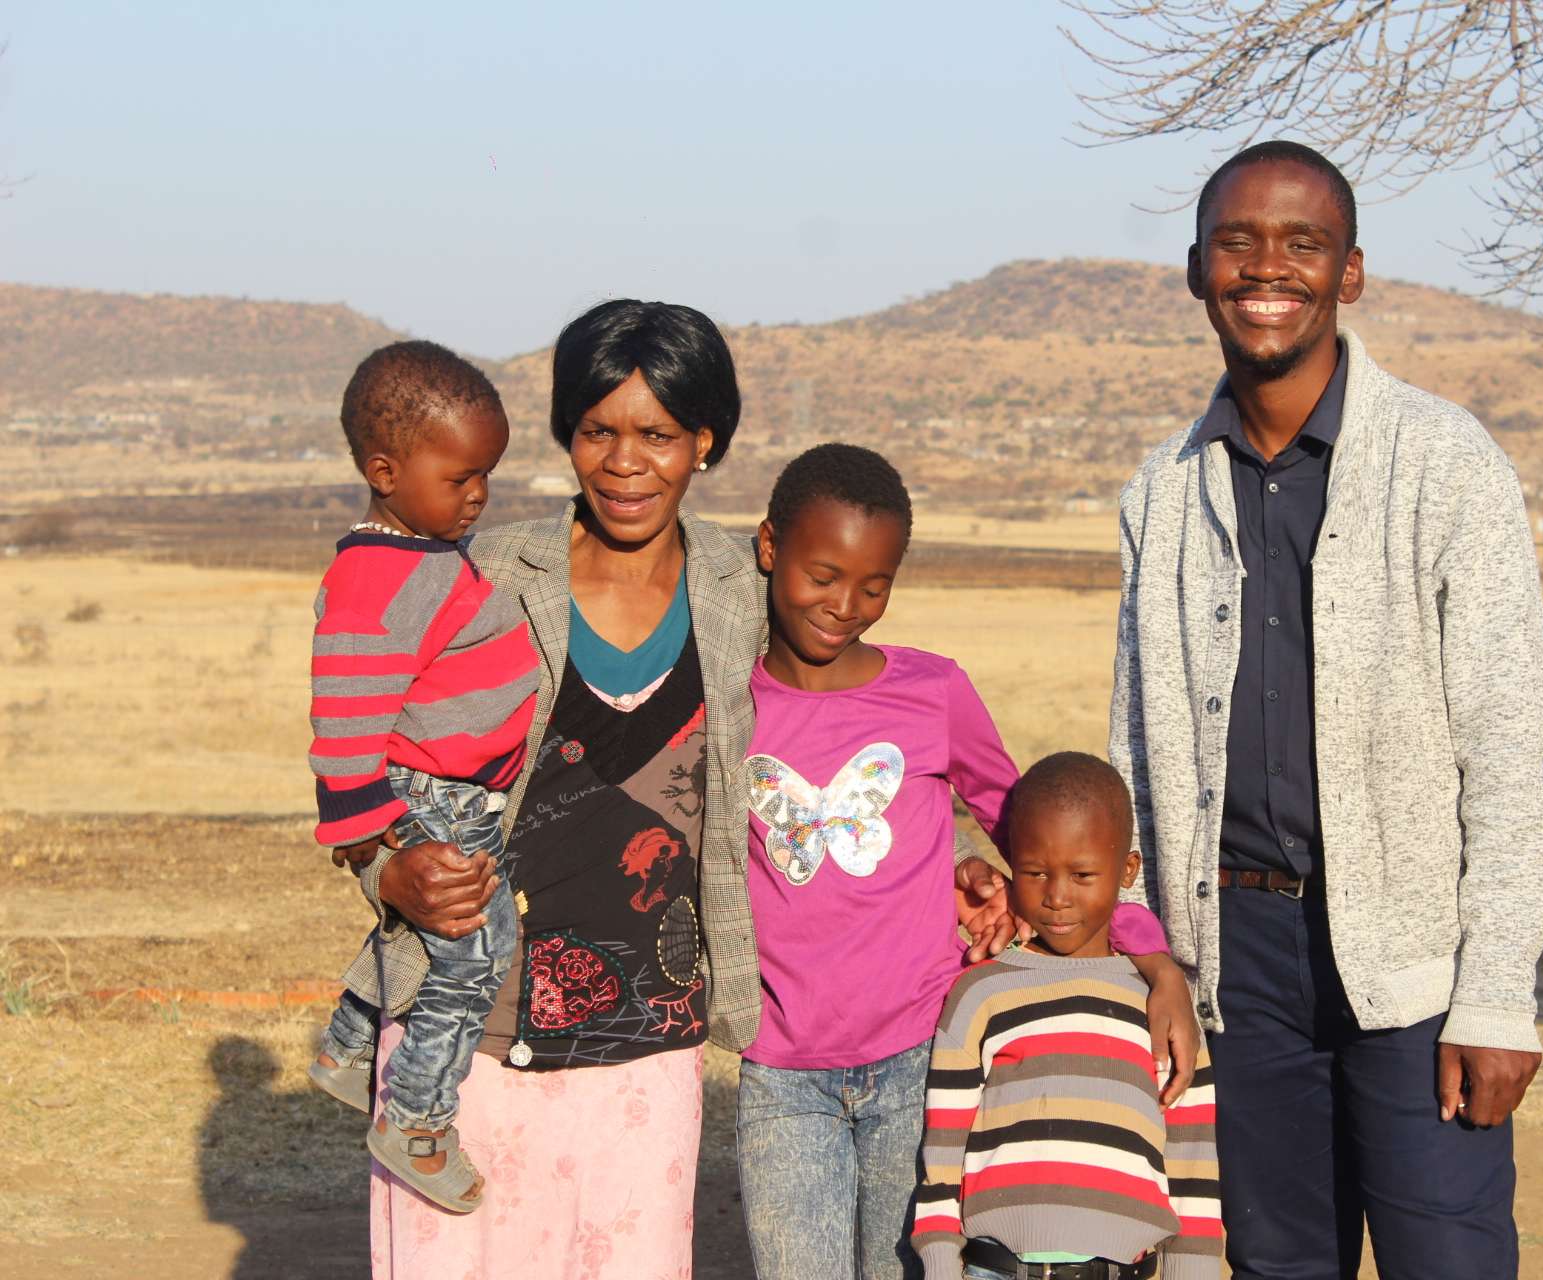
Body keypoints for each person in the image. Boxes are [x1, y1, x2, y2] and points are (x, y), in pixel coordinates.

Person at [334, 301, 1066, 1278]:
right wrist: (388, 869)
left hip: (652, 1038)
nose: (626, 461)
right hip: (470, 1025)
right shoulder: (487, 574)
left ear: (705, 442)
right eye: (598, 430)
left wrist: (951, 853)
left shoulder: (737, 584)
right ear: (566, 435)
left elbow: (838, 701)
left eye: (659, 434)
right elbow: (358, 739)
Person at [1108, 141, 1543, 1279]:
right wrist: (1153, 951)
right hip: (1237, 965)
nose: (1269, 266)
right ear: (1196, 268)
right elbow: (1138, 757)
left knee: (1444, 1255)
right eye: (1239, 240)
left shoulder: (1445, 463)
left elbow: (1509, 750)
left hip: (1414, 956)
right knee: (1276, 1261)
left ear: (1349, 272)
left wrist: (1500, 992)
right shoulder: (1162, 490)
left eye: (1303, 242)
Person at [734, 444, 1195, 1280]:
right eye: (824, 574)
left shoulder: (931, 692)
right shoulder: (729, 705)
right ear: (770, 548)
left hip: (920, 1061)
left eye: (875, 586)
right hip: (779, 1072)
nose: (846, 605)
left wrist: (1145, 945)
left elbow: (1040, 841)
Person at [305, 341, 537, 1213]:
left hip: (465, 794)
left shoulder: (424, 552)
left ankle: (346, 1046)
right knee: (475, 960)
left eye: (488, 475)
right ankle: (416, 1118)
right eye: (461, 477)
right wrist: (368, 836)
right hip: (435, 798)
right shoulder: (375, 581)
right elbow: (345, 725)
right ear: (385, 471)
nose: (479, 495)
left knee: (430, 938)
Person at [911, 752, 1225, 1280]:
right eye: (1035, 872)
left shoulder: (1163, 1010)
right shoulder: (978, 996)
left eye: (1082, 874)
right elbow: (940, 1162)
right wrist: (941, 1266)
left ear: (1126, 871)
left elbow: (1194, 1177)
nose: (1056, 897)